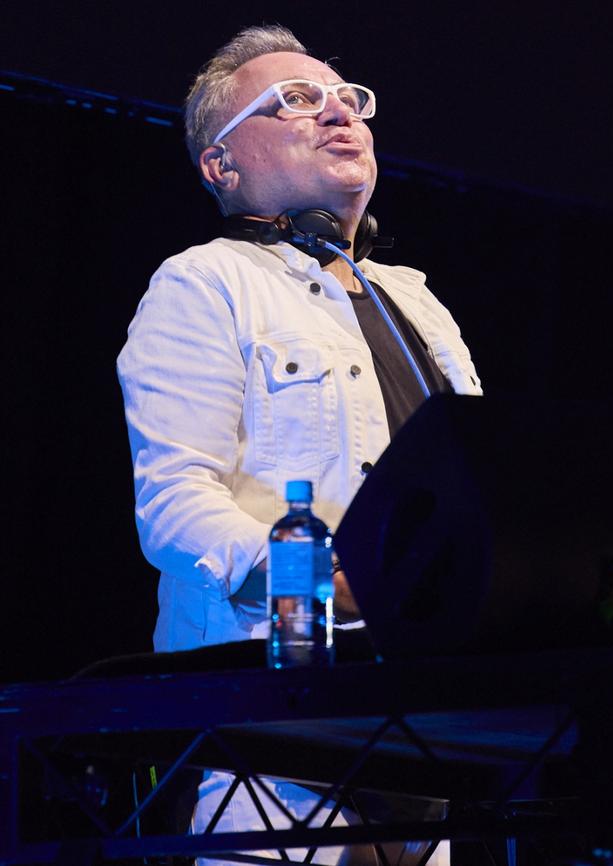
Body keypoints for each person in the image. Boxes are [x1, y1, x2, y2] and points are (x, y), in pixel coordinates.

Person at [117, 23, 482, 866]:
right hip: (269, 740)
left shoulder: (417, 302)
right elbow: (174, 504)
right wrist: (323, 583)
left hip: (433, 723)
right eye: (294, 101)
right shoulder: (206, 282)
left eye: (347, 98)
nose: (336, 114)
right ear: (222, 164)